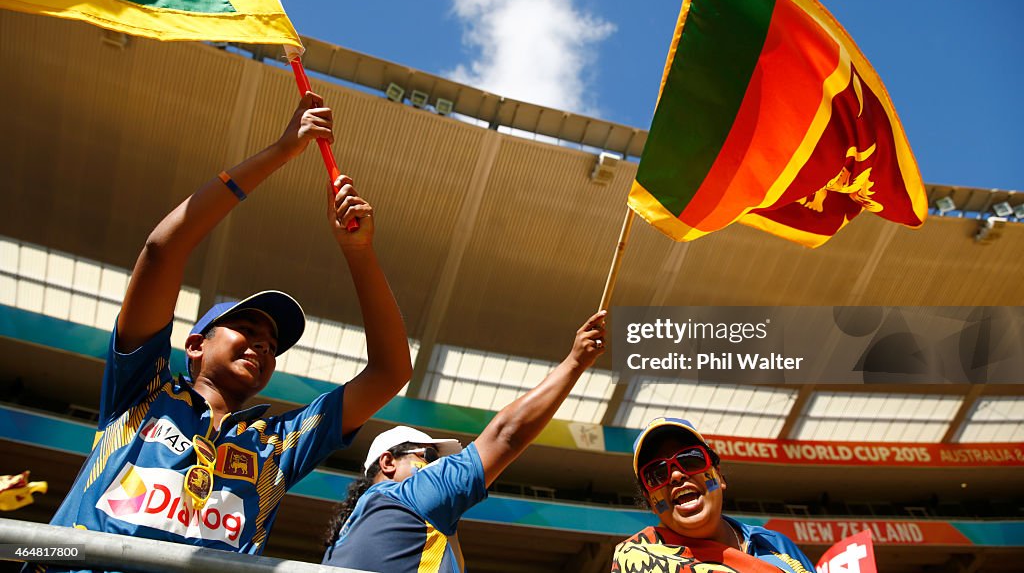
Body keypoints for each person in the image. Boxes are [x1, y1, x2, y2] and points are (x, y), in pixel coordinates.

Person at [43, 93, 412, 566]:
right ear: (195, 345)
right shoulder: (144, 393)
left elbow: (390, 372)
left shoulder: (279, 444)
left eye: (272, 343)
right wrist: (282, 151)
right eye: (245, 328)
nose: (262, 343)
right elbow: (161, 250)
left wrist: (359, 253)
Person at [321, 311, 608, 572]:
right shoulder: (411, 495)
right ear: (388, 462)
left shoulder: (338, 545)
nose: (438, 467)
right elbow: (507, 435)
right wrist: (575, 362)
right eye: (430, 458)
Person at [611, 417, 815, 573]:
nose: (676, 475)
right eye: (657, 474)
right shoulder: (639, 559)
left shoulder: (775, 545)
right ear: (652, 503)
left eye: (690, 460)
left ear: (719, 476)